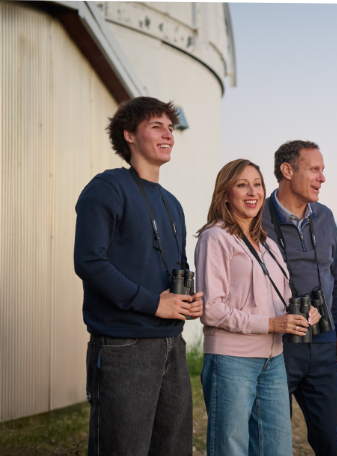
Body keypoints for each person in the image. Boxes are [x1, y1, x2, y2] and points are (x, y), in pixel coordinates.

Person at [74, 97, 204, 455]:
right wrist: (153, 303)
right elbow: (89, 261)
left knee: (174, 449)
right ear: (129, 135)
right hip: (123, 346)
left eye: (170, 127)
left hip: (172, 346)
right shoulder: (107, 188)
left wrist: (188, 300)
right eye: (156, 126)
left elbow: (175, 267)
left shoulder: (172, 202)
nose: (168, 134)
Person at [196, 159, 317, 456]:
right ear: (225, 194)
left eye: (258, 184)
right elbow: (211, 309)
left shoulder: (269, 246)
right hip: (231, 361)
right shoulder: (215, 238)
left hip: (273, 359)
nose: (253, 192)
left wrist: (305, 313)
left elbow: (282, 300)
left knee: (276, 448)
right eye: (242, 184)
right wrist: (271, 324)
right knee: (231, 448)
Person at [260, 140, 337, 455]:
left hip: (324, 343)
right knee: (272, 439)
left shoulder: (325, 217)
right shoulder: (257, 217)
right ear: (288, 170)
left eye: (322, 170)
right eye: (315, 169)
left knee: (330, 439)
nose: (322, 178)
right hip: (276, 346)